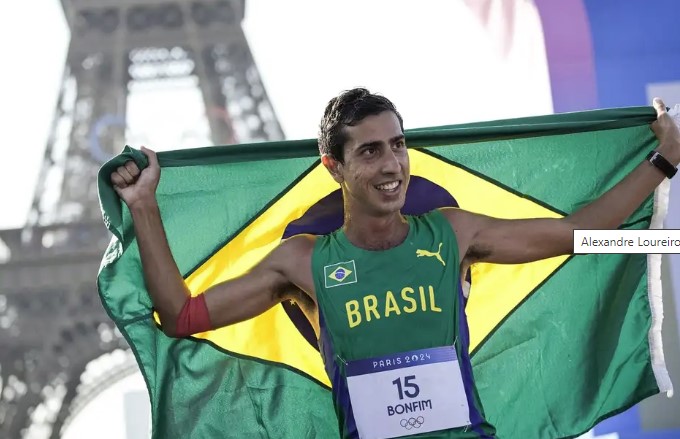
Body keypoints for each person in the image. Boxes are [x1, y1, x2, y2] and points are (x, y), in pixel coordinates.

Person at [110, 88, 680, 439]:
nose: (393, 164)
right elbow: (182, 316)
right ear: (334, 167)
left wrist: (663, 162)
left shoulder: (454, 233)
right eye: (371, 150)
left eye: (399, 144)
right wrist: (144, 208)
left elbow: (579, 232)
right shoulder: (303, 263)